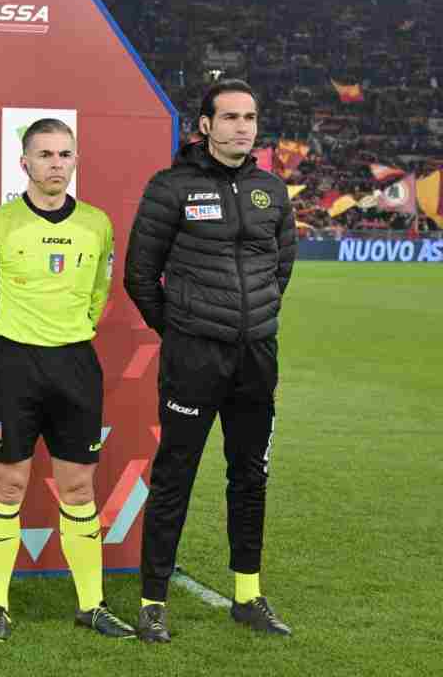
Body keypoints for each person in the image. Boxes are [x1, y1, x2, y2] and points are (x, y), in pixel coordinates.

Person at [124, 79, 296, 643]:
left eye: (250, 117)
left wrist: (254, 320)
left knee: (250, 476)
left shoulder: (272, 190)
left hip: (256, 357)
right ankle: (153, 601)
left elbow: (281, 268)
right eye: (230, 117)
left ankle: (248, 596)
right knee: (175, 476)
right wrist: (181, 330)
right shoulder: (171, 187)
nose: (242, 127)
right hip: (194, 357)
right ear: (205, 125)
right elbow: (139, 276)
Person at [0, 118, 134, 643]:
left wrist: (74, 332)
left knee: (79, 487)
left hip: (74, 365)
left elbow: (100, 290)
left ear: (75, 160)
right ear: (25, 163)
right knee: (8, 484)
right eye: (45, 154)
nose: (56, 163)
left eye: (64, 154)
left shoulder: (97, 225)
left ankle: (91, 605)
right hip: (14, 366)